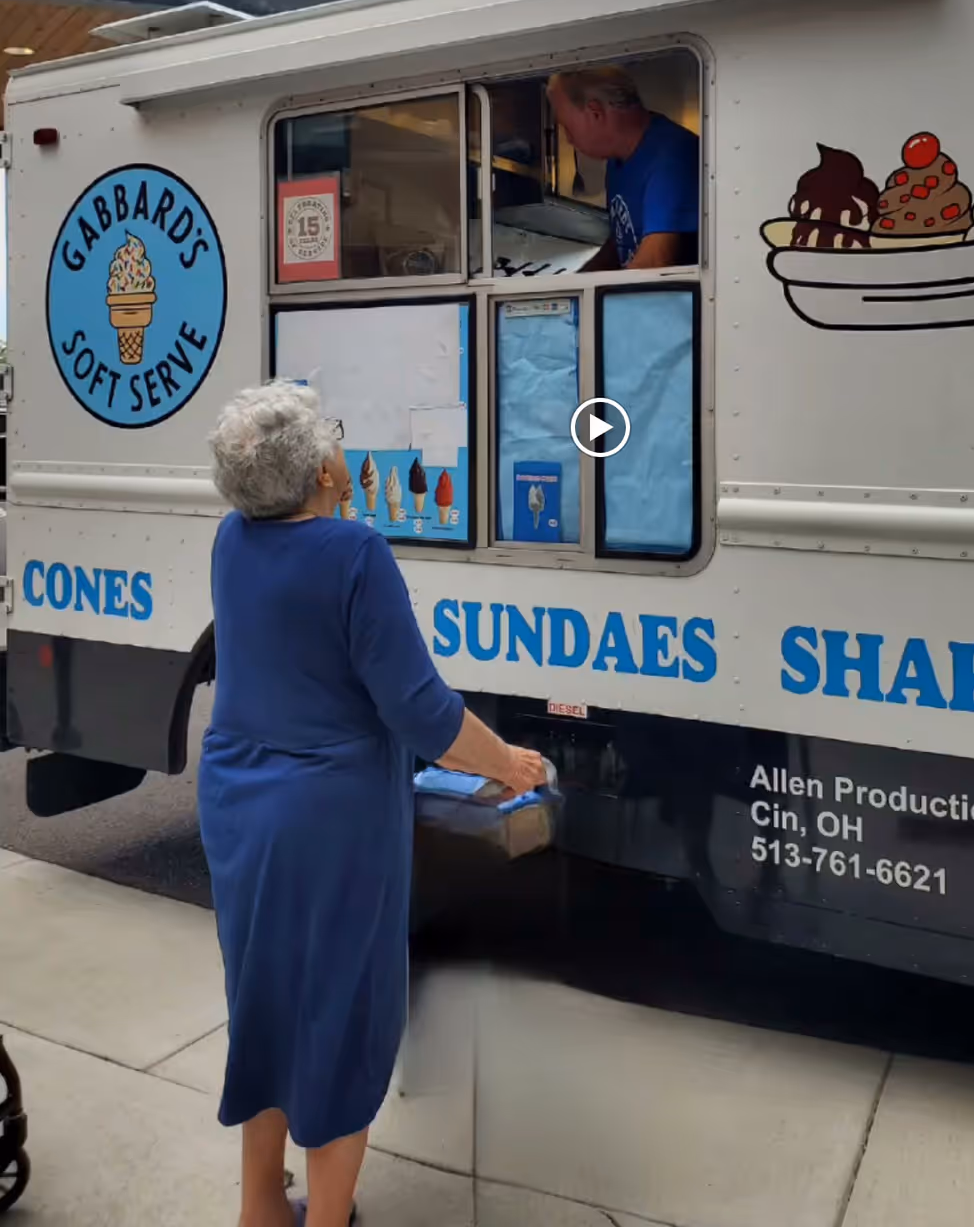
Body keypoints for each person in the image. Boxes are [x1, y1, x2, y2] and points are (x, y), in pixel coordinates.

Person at [200, 382, 544, 1227]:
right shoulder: (355, 554)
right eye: (336, 440)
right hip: (330, 822)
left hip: (238, 805)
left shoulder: (230, 541)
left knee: (267, 1001)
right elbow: (422, 711)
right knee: (344, 1017)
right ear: (322, 469)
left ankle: (258, 1205)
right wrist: (512, 764)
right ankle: (325, 1217)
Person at [546, 66, 699, 270]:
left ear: (595, 113)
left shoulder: (670, 156)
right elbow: (620, 244)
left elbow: (654, 263)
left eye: (567, 126)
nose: (568, 139)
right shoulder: (618, 162)